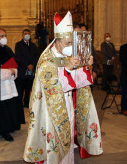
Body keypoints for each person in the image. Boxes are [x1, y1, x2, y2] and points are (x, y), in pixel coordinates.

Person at [24, 12, 103, 163]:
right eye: (68, 43)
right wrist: (67, 69)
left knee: (66, 146)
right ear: (57, 42)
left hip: (67, 105)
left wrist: (85, 66)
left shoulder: (65, 54)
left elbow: (78, 80)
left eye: (71, 43)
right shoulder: (46, 59)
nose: (71, 47)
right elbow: (51, 87)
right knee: (54, 146)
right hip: (50, 111)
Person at [15, 29, 38, 124]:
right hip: (22, 71)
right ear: (22, 35)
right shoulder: (18, 45)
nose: (27, 35)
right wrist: (27, 65)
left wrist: (32, 64)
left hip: (31, 72)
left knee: (29, 89)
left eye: (29, 33)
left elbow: (37, 56)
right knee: (20, 90)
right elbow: (18, 57)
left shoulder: (33, 46)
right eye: (25, 34)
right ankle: (19, 106)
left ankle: (26, 103)